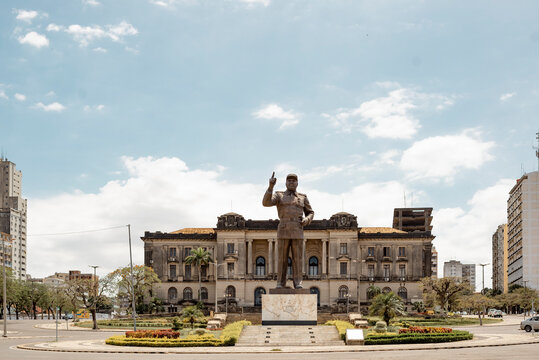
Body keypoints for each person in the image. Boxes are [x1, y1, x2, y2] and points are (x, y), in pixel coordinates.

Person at [262, 172, 314, 289]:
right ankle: (280, 283)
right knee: (282, 259)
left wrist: (307, 219)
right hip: (284, 229)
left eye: (294, 180)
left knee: (298, 259)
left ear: (297, 183)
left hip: (297, 229)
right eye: (289, 180)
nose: (291, 182)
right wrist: (270, 186)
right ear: (285, 183)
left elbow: (310, 212)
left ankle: (298, 283)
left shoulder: (302, 197)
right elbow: (266, 203)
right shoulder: (279, 195)